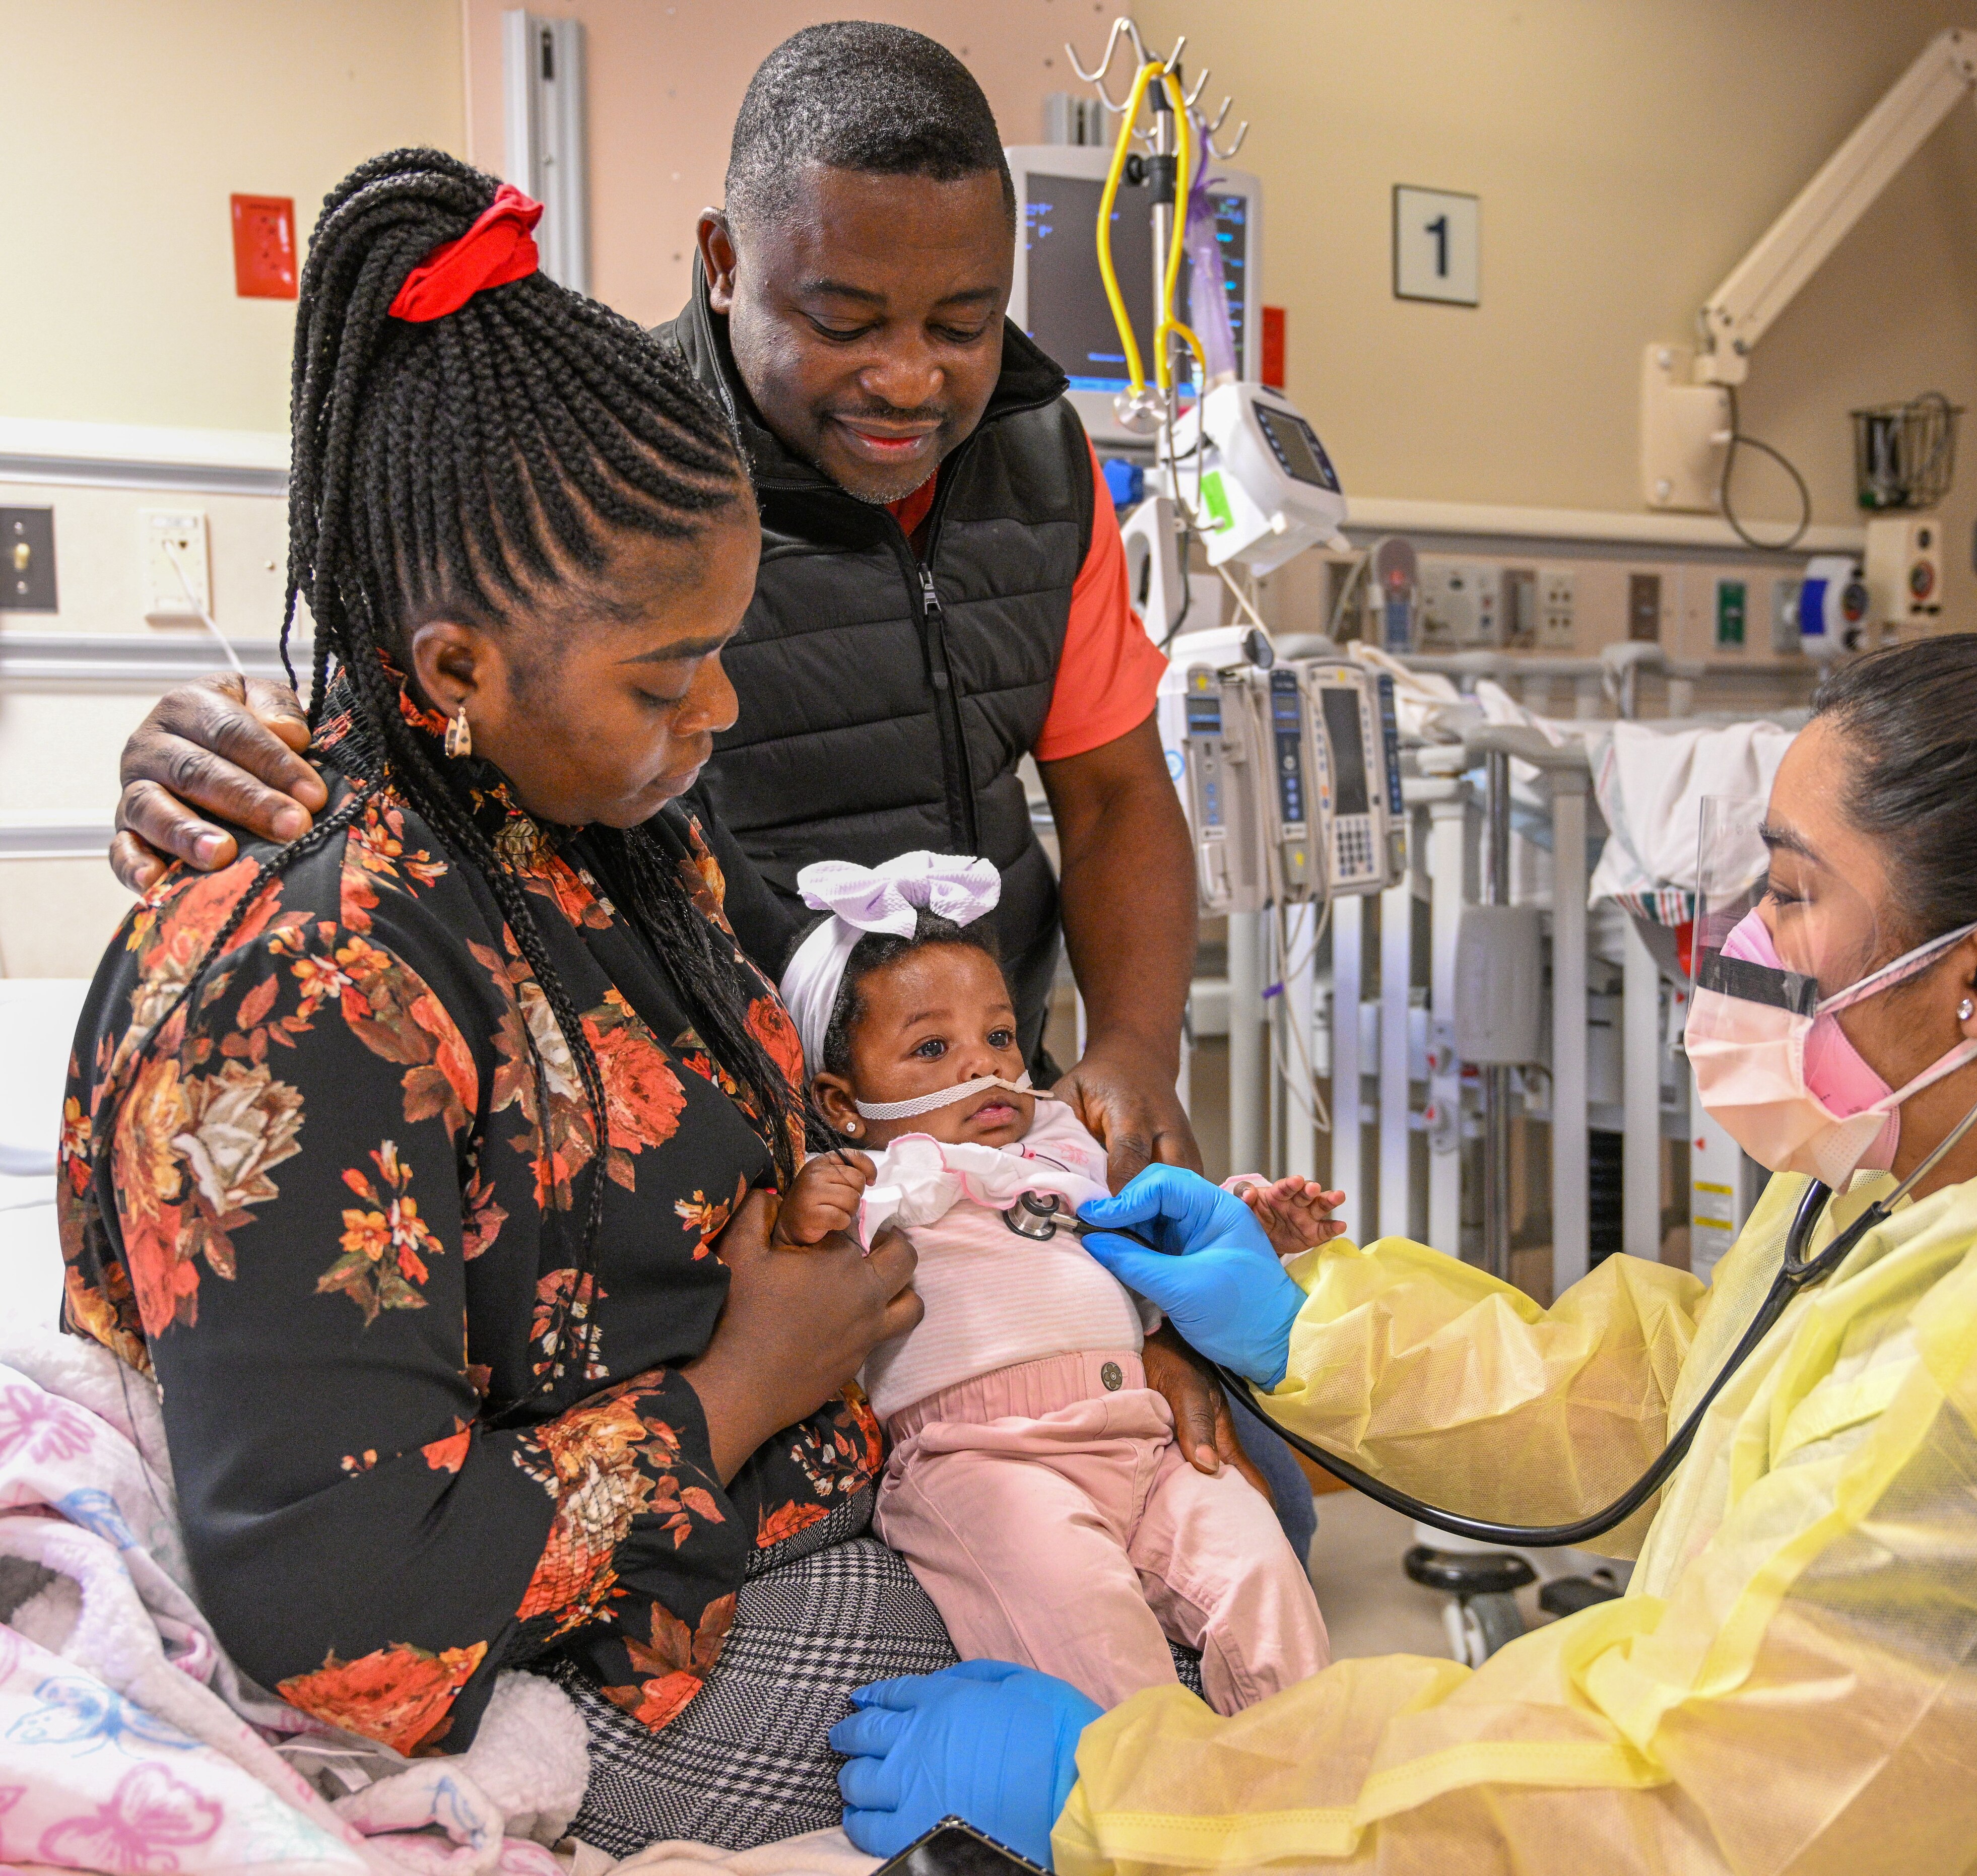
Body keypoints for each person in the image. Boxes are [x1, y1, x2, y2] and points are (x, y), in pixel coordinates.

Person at [830, 632, 1977, 1873]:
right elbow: (1711, 1401)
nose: (1735, 946)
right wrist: (1310, 1323)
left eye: (1789, 895)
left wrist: (1135, 1794)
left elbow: (1690, 1809)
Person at [58, 149, 1156, 1863]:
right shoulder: (308, 983)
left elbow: (708, 1102)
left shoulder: (601, 831)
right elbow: (344, 1599)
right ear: (452, 673)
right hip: (627, 1629)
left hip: (809, 1464)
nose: (716, 710)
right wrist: (742, 1381)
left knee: (1238, 1517)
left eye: (726, 646)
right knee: (1174, 1739)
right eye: (666, 674)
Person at [98, 19, 1319, 1557]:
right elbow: (420, 737)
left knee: (1242, 1505)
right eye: (847, 315)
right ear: (724, 263)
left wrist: (1129, 1063)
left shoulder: (1039, 465)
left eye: (963, 321)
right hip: (752, 1193)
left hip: (964, 1123)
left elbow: (1119, 793)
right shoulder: (621, 493)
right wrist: (225, 764)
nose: (911, 376)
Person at [766, 851, 1333, 1713]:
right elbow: (794, 1284)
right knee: (1093, 1645)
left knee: (1264, 1574)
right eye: (932, 1047)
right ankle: (1159, 1821)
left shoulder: (1063, 1144)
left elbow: (1165, 1228)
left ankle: (1309, 1789)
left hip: (1141, 1437)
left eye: (999, 1036)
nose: (985, 1067)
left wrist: (1253, 1220)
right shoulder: (862, 1179)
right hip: (986, 1463)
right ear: (844, 1103)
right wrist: (809, 1210)